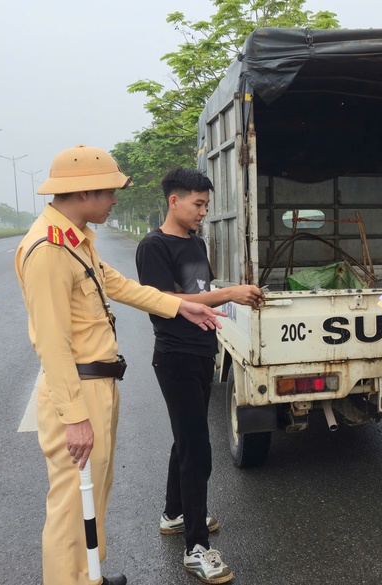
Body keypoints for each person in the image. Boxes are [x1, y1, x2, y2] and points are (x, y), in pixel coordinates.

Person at [15, 145, 226, 585]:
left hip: (98, 384)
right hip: (79, 389)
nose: (115, 199)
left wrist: (181, 306)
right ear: (84, 191)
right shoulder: (49, 249)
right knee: (71, 505)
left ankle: (88, 575)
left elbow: (121, 286)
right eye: (109, 192)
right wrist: (74, 417)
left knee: (92, 496)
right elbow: (52, 343)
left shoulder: (75, 241)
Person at [135, 167, 263, 584]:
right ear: (174, 201)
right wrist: (230, 293)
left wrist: (226, 298)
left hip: (201, 351)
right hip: (175, 356)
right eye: (198, 204)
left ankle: (175, 514)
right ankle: (196, 549)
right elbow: (162, 300)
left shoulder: (196, 242)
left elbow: (200, 293)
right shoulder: (153, 246)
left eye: (206, 205)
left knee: (186, 439)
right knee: (198, 448)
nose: (203, 212)